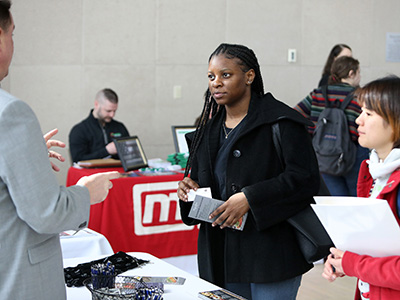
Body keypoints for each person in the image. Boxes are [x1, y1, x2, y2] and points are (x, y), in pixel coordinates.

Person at [177, 43, 320, 300]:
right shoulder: (206, 133)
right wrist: (188, 190)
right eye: (211, 77)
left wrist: (250, 198)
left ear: (249, 76)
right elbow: (203, 183)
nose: (216, 83)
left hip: (272, 253)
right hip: (220, 254)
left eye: (226, 75)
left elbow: (305, 179)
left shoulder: (282, 122)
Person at [0, 2, 119, 299]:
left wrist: (25, 152)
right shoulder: (10, 113)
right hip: (16, 277)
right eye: (12, 34)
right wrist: (86, 193)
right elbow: (46, 212)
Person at [322, 75, 400, 300]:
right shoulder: (376, 172)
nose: (358, 121)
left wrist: (353, 263)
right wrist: (343, 260)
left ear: (395, 121)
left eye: (368, 114)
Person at [295, 56, 369, 196]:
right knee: (358, 196)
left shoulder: (318, 93)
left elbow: (295, 113)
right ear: (351, 74)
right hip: (353, 154)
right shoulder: (358, 96)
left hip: (323, 154)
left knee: (336, 198)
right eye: (359, 73)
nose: (360, 78)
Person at [69, 88, 129, 162]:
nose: (112, 115)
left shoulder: (120, 127)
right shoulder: (79, 130)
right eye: (108, 111)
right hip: (91, 173)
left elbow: (130, 156)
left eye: (114, 111)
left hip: (118, 172)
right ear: (96, 104)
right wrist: (106, 151)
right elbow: (77, 160)